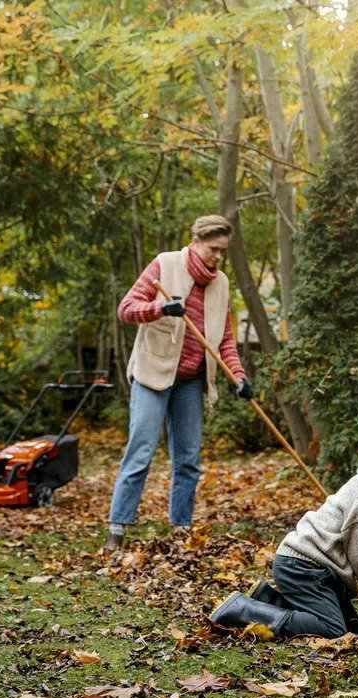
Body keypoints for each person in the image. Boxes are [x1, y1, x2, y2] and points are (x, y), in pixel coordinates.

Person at [209, 394, 358, 638]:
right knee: (333, 631)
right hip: (305, 567)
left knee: (354, 631)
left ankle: (267, 601)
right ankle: (245, 610)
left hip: (323, 571)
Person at [103, 214, 253, 551]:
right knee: (140, 452)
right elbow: (126, 309)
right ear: (196, 241)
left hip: (190, 381)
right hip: (153, 374)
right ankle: (117, 529)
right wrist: (160, 308)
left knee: (188, 459)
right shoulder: (165, 265)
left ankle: (181, 529)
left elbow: (224, 339)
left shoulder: (221, 284)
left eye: (223, 251)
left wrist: (238, 377)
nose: (218, 256)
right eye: (213, 249)